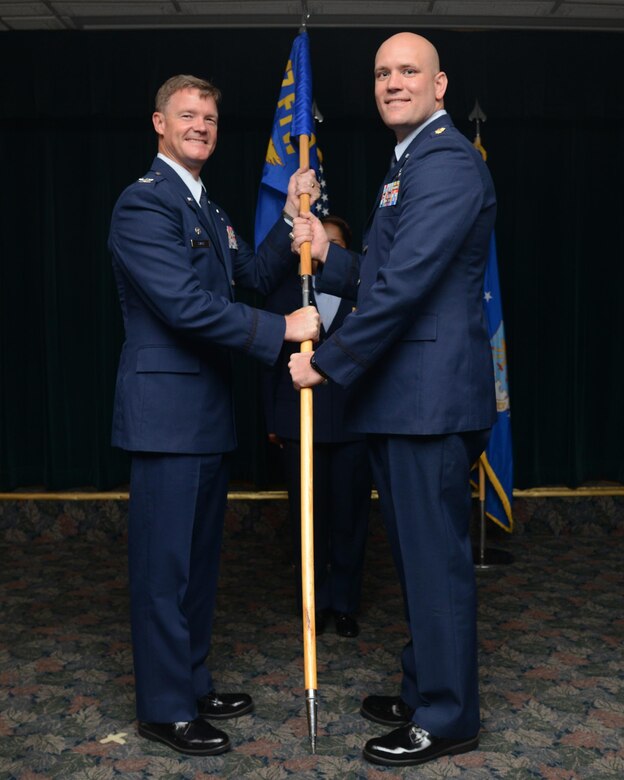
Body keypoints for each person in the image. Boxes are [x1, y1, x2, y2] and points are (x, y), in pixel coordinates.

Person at [289, 33, 497, 768]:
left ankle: (447, 718)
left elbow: (404, 288)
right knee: (415, 559)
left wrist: (330, 365)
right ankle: (424, 688)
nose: (392, 82)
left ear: (440, 87)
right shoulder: (408, 163)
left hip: (426, 401)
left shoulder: (444, 162)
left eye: (409, 71)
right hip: (406, 399)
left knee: (433, 563)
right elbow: (382, 270)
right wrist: (323, 241)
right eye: (382, 73)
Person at [108, 74, 320, 757]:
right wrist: (282, 331)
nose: (200, 124)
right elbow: (184, 306)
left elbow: (245, 280)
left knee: (197, 565)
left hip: (204, 413)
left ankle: (192, 683)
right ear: (159, 123)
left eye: (209, 117)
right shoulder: (143, 207)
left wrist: (291, 218)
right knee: (163, 569)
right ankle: (163, 708)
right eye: (187, 114)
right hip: (165, 415)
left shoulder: (208, 208)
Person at [262, 215, 372, 638]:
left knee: (350, 520)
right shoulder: (284, 291)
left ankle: (344, 604)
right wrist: (273, 419)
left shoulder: (365, 294)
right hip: (299, 423)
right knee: (308, 522)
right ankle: (312, 604)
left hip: (353, 424)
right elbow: (269, 363)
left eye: (335, 244)